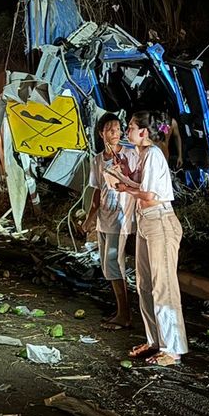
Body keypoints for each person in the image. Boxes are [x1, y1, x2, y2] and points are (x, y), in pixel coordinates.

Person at [117, 110, 187, 367]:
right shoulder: (142, 154)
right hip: (146, 222)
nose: (127, 132)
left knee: (163, 286)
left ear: (144, 132)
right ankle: (155, 340)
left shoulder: (155, 154)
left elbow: (150, 195)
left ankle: (173, 348)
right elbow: (140, 184)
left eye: (131, 127)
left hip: (160, 221)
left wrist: (126, 187)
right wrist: (125, 175)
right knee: (145, 284)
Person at [78, 113, 138, 330]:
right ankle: (121, 310)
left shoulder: (131, 155)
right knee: (108, 265)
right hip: (105, 217)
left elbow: (139, 183)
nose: (117, 134)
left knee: (114, 263)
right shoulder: (97, 160)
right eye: (111, 130)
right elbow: (97, 191)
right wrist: (90, 219)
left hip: (121, 218)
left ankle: (125, 314)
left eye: (119, 129)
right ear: (101, 132)